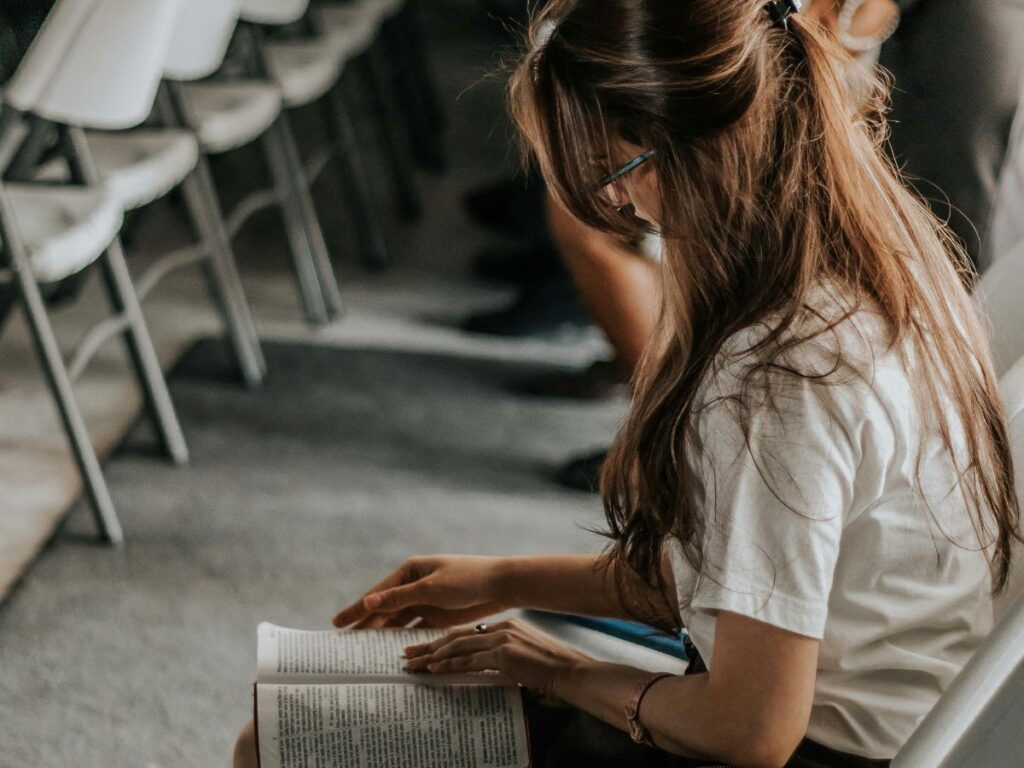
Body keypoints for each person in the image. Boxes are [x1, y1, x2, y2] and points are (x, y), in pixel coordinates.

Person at [234, 0, 1022, 765]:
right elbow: (754, 578)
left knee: (278, 742)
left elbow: (752, 731)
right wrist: (504, 579)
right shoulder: (879, 258)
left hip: (806, 744)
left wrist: (558, 670)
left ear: (694, 146)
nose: (614, 201)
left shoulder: (779, 375)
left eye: (615, 169)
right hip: (867, 714)